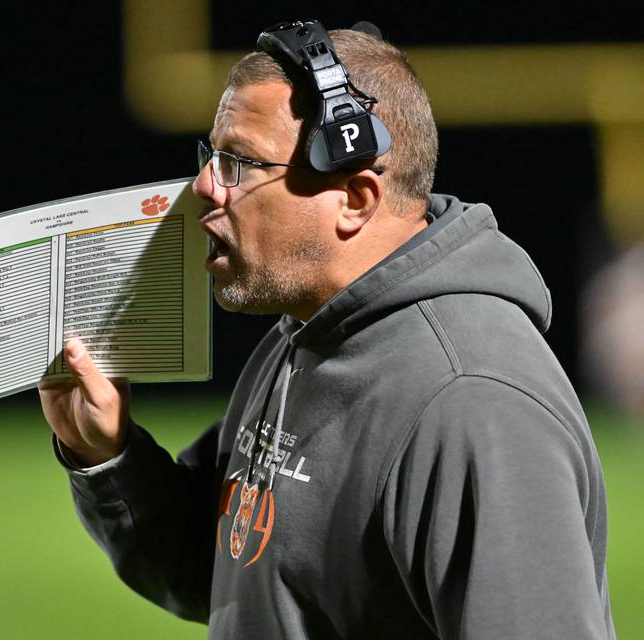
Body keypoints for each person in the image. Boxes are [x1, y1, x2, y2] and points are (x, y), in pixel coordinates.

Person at [38, 21, 615, 639]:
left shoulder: (471, 400)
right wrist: (108, 454)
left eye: (238, 162)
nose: (205, 187)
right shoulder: (308, 336)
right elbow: (231, 573)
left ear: (356, 199)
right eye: (211, 157)